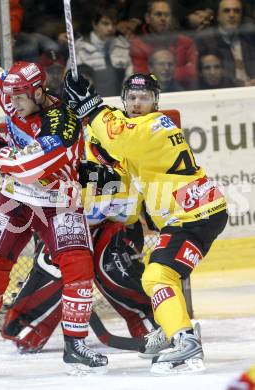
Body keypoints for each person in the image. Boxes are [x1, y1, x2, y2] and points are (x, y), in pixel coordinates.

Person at [0, 6, 108, 377]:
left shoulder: (61, 120)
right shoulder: (16, 95)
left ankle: (75, 344)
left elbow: (33, 167)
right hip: (15, 199)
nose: (10, 104)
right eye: (8, 97)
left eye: (18, 98)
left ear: (39, 91)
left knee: (78, 269)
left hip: (59, 200)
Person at [63, 70, 228, 375]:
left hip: (193, 216)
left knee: (157, 276)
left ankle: (184, 340)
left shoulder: (154, 126)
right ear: (124, 100)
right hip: (197, 213)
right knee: (158, 270)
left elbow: (120, 137)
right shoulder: (134, 128)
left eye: (144, 98)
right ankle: (173, 328)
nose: (137, 103)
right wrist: (89, 135)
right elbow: (115, 166)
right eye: (131, 98)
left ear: (156, 102)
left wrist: (90, 104)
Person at [1, 149, 168, 354]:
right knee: (56, 266)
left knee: (110, 262)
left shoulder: (128, 138)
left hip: (117, 226)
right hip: (64, 222)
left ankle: (156, 323)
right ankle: (29, 326)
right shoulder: (56, 140)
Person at [129, 0, 198, 88]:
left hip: (182, 92)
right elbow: (142, 75)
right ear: (148, 18)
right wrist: (178, 72)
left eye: (166, 15)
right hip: (150, 92)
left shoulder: (186, 42)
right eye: (158, 14)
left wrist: (159, 73)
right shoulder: (137, 44)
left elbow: (192, 72)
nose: (163, 18)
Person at [73, 7, 133, 97]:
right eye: (105, 24)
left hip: (120, 102)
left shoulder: (123, 47)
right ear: (94, 24)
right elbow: (71, 81)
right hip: (90, 104)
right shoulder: (79, 48)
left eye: (113, 24)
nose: (110, 28)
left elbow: (130, 80)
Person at [195, 0, 255, 87]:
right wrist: (241, 84)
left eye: (236, 11)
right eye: (226, 11)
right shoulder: (206, 39)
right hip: (225, 92)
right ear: (218, 16)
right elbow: (210, 74)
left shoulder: (249, 37)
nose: (232, 15)